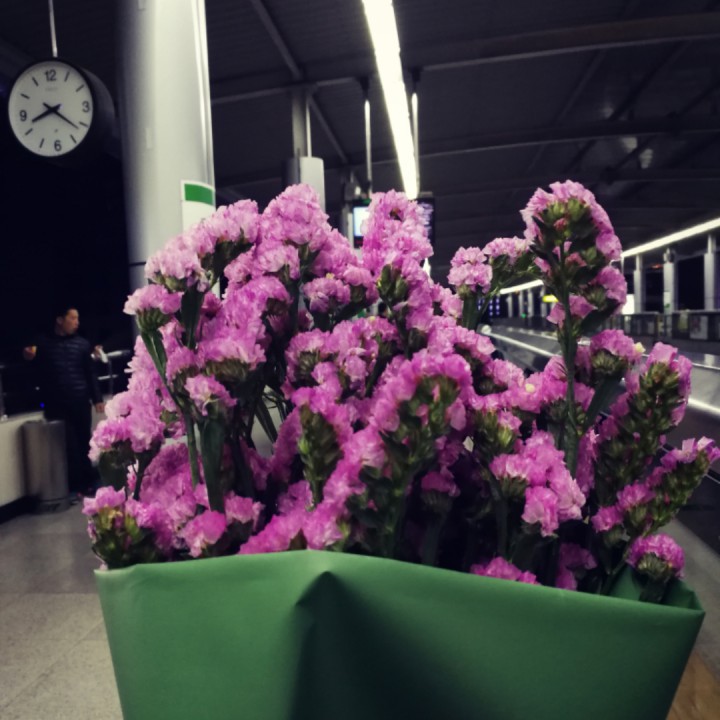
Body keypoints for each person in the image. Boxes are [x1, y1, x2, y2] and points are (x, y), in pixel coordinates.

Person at [23, 305, 105, 501]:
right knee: (66, 446)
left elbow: (90, 373)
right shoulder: (43, 344)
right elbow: (33, 367)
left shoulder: (82, 344)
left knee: (84, 441)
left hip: (80, 399)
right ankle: (72, 486)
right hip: (56, 403)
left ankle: (88, 483)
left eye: (77, 319)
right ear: (60, 320)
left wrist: (97, 399)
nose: (77, 322)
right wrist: (28, 357)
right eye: (72, 318)